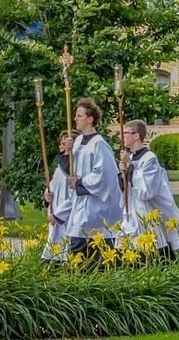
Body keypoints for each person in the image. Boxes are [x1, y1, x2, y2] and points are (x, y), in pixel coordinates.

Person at [66, 97, 123, 255]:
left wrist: (79, 183)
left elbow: (104, 175)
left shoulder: (99, 144)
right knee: (76, 247)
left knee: (94, 250)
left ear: (90, 119)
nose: (75, 119)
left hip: (95, 207)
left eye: (79, 116)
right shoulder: (77, 142)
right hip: (80, 204)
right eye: (76, 115)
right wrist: (68, 152)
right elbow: (70, 169)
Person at [120, 118, 179, 255]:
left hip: (147, 213)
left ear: (136, 136)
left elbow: (147, 190)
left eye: (126, 133)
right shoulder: (129, 156)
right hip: (132, 212)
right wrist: (123, 171)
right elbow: (124, 187)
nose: (122, 136)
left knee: (153, 252)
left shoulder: (149, 158)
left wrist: (130, 167)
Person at [42, 130, 74, 260]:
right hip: (55, 213)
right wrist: (47, 194)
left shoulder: (73, 166)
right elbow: (53, 186)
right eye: (61, 143)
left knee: (64, 249)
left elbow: (74, 196)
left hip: (65, 216)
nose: (61, 146)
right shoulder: (60, 165)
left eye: (64, 143)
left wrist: (58, 215)